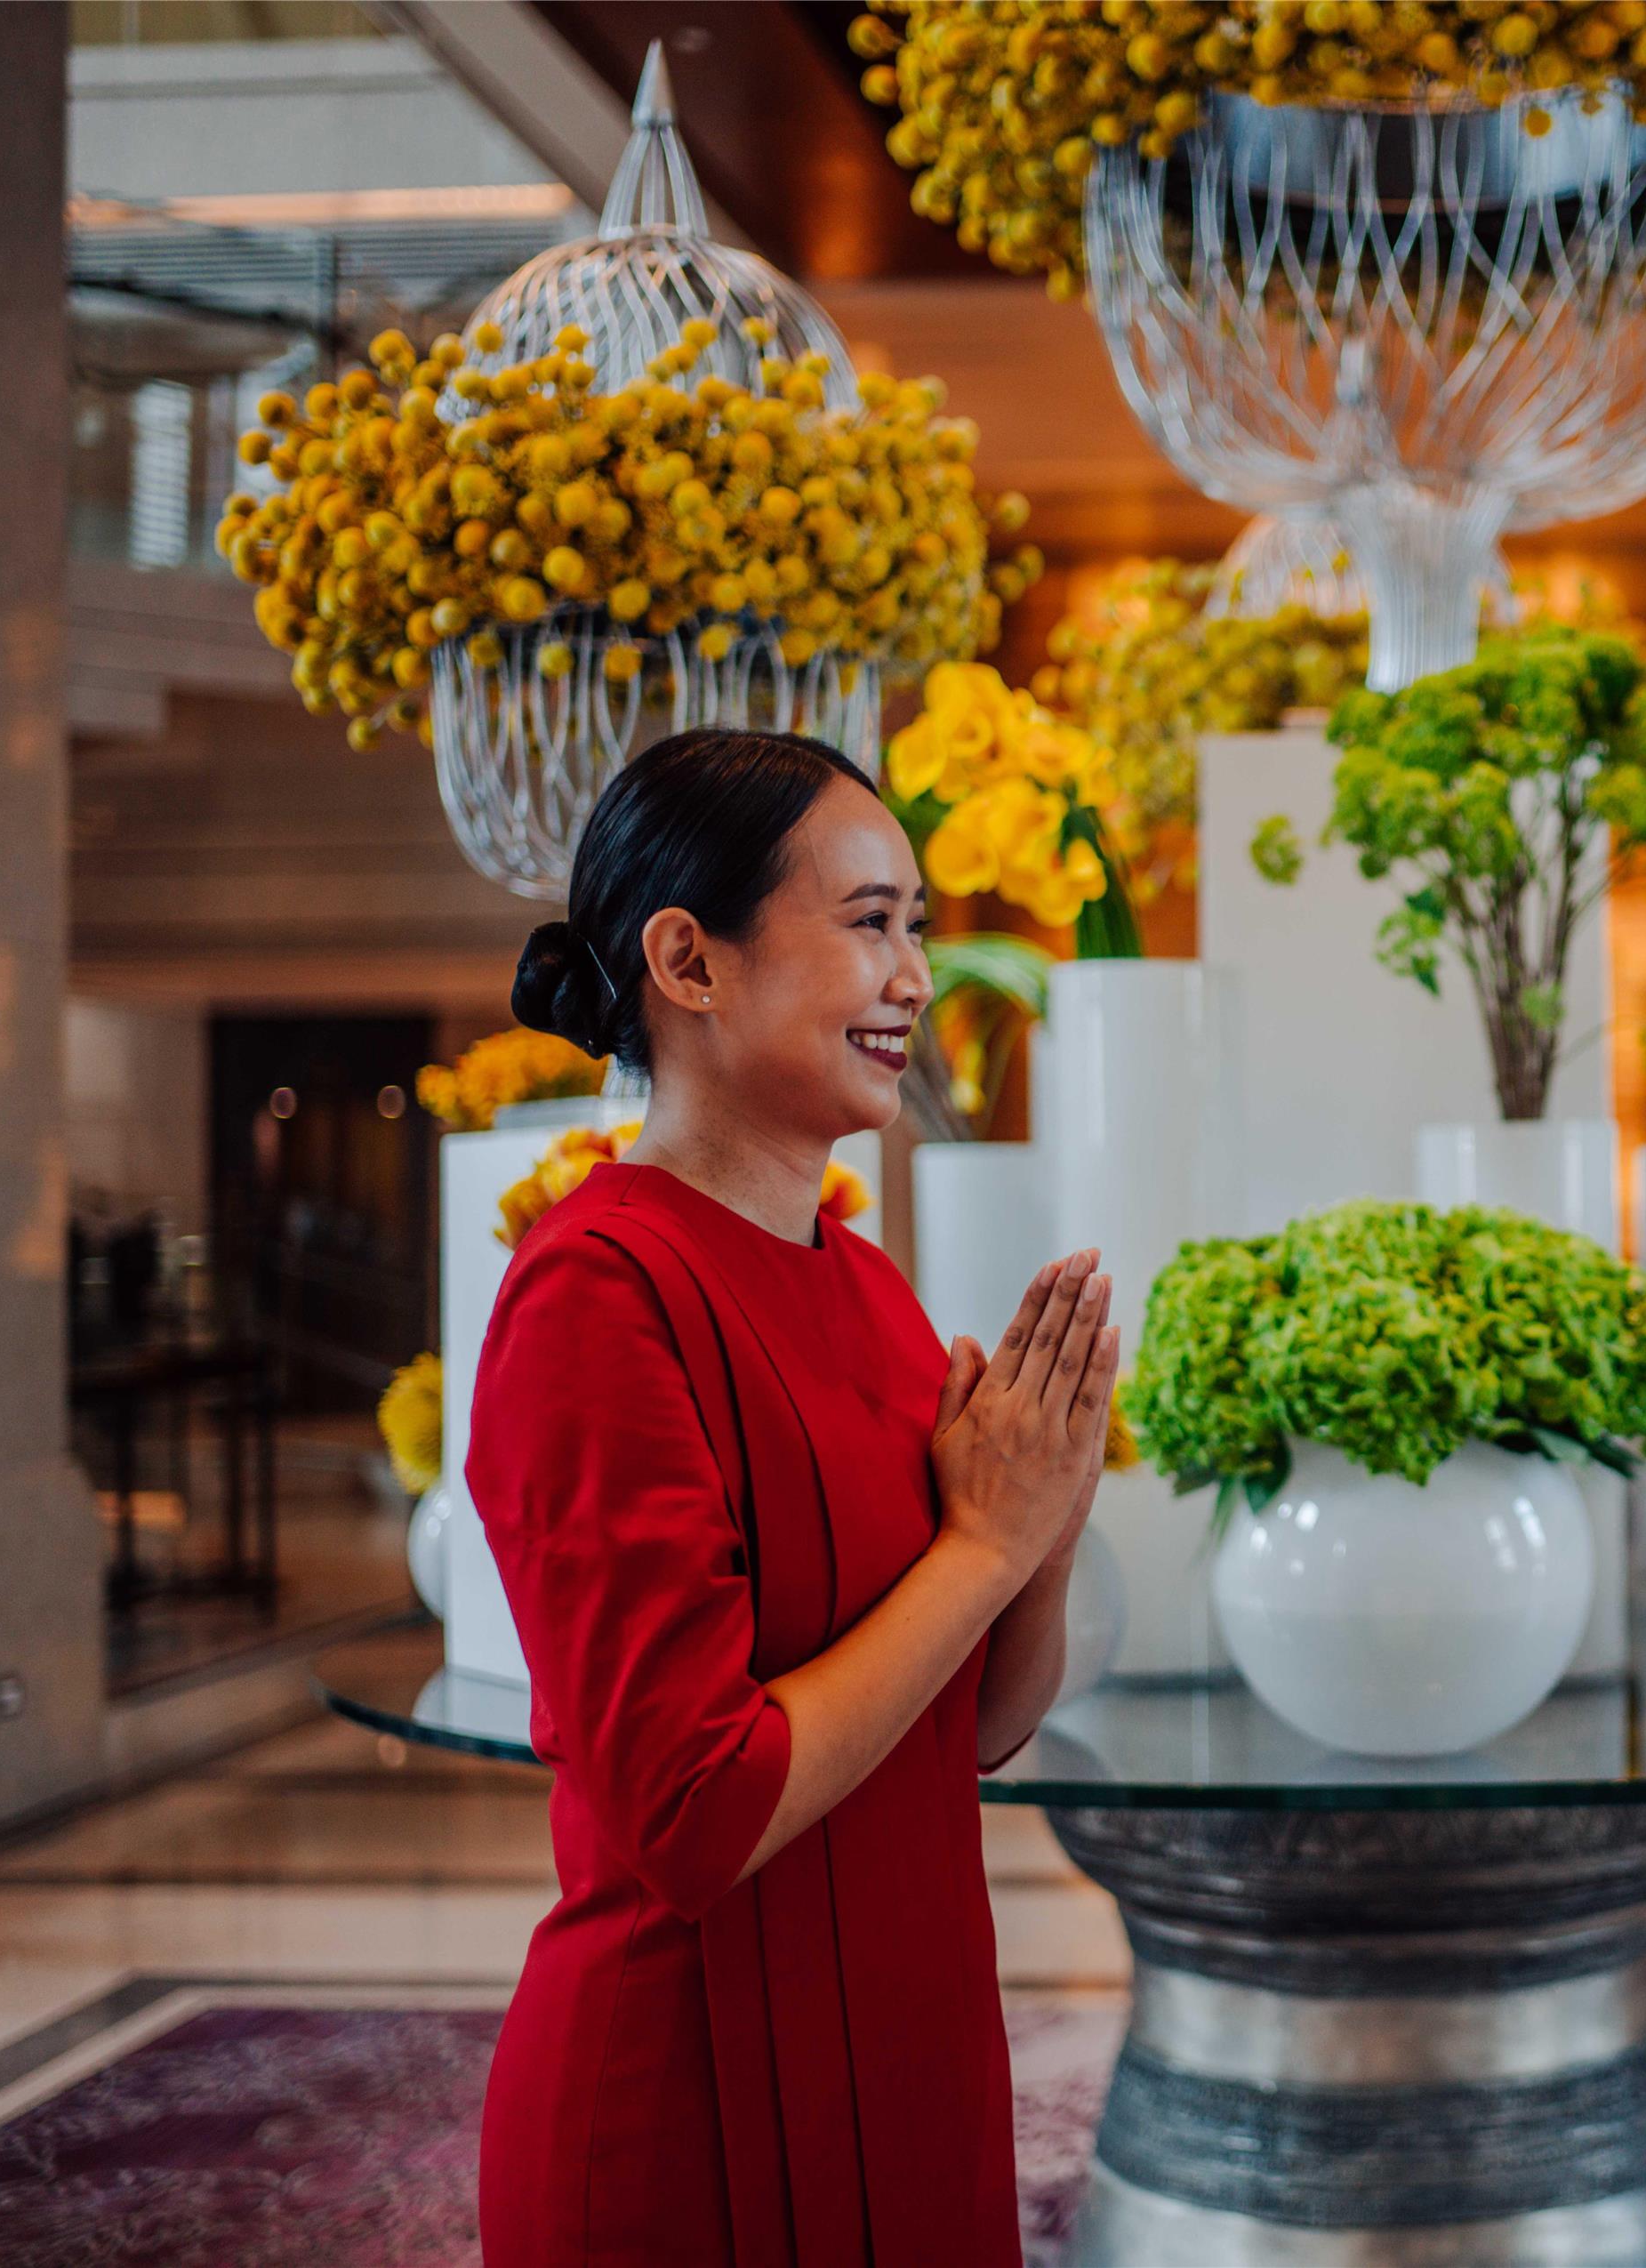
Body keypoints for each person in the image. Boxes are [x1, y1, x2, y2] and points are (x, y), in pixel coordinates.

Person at [468, 728, 1111, 2266]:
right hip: (686, 2107)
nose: (918, 976)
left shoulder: (870, 1286)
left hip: (909, 2061)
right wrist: (985, 1540)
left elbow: (976, 1726)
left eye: (920, 925)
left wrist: (1050, 1519)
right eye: (871, 920)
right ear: (688, 959)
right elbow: (696, 1810)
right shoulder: (595, 1293)